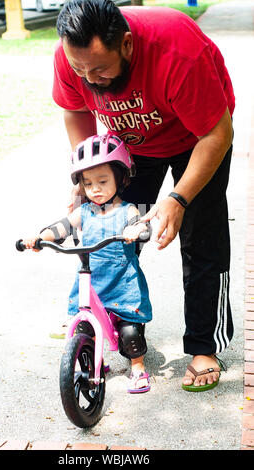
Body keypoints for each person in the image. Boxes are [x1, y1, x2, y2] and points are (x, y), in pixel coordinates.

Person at [52, 0, 235, 391]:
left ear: (128, 46)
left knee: (201, 240)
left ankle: (204, 345)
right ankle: (118, 325)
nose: (90, 78)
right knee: (110, 236)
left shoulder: (177, 51)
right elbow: (74, 111)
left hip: (197, 140)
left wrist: (179, 198)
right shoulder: (71, 56)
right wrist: (88, 176)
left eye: (100, 69)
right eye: (81, 70)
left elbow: (217, 134)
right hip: (131, 149)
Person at [23, 134, 153, 393]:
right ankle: (94, 360)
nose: (95, 188)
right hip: (91, 282)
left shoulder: (127, 211)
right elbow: (61, 226)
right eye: (88, 183)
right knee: (84, 327)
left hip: (123, 285)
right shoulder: (83, 212)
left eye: (103, 181)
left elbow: (142, 227)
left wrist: (136, 231)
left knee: (130, 334)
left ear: (122, 178)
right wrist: (40, 237)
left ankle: (137, 368)